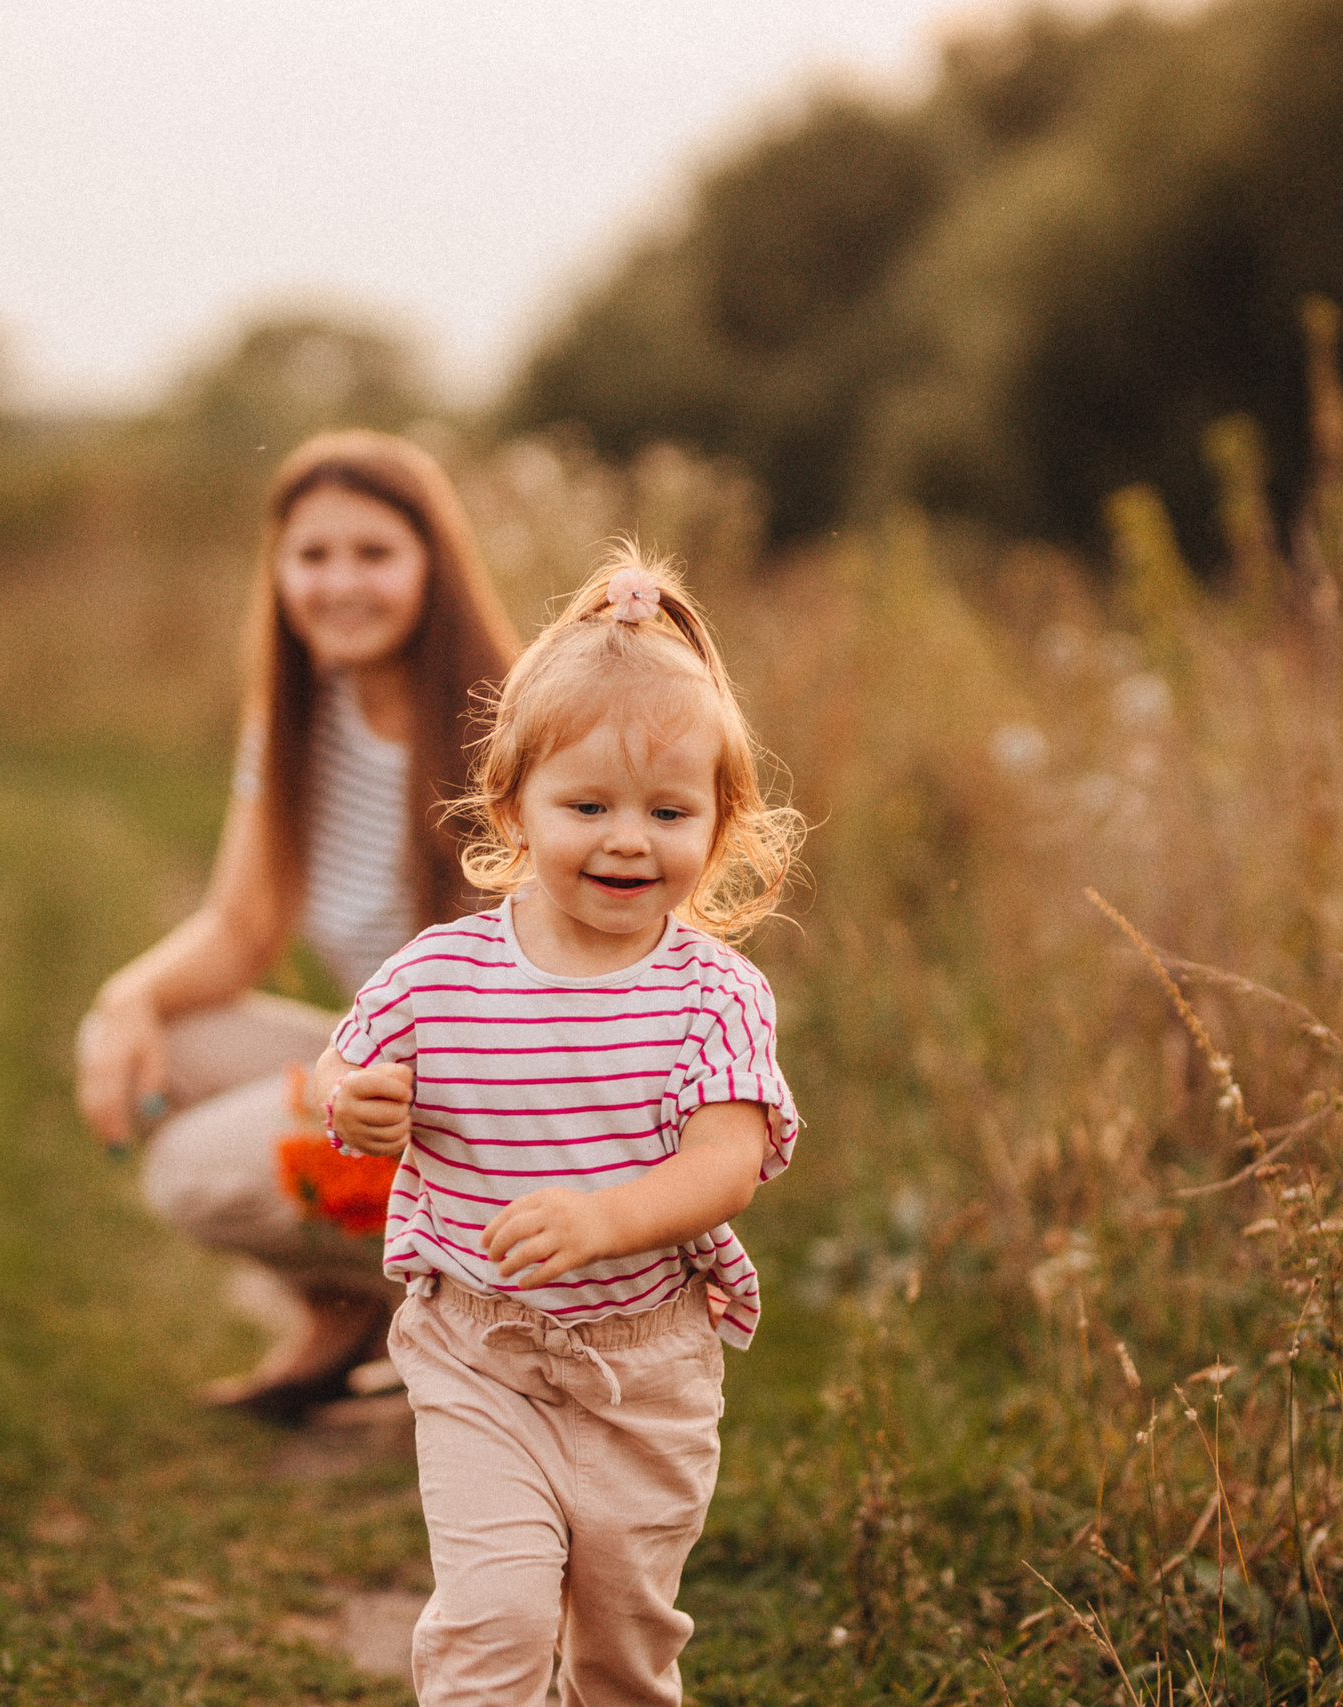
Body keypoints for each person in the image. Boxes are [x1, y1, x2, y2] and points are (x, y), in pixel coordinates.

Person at [315, 547, 804, 1705]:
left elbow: (728, 1160)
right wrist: (355, 1100)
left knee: (623, 1640)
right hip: (478, 1346)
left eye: (669, 812)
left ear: (721, 823)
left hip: (648, 1364)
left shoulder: (712, 994)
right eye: (587, 806)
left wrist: (604, 1220)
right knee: (493, 1615)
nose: (628, 840)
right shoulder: (440, 973)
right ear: (513, 808)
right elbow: (345, 1061)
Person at [74, 429, 520, 1422]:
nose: (340, 583)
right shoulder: (297, 717)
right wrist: (125, 999)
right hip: (382, 1068)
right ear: (277, 572)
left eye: (374, 553)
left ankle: (482, 1305)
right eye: (312, 555)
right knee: (162, 1041)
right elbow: (241, 926)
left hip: (500, 1101)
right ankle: (353, 1304)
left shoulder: (513, 723)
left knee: (195, 1171)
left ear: (432, 568)